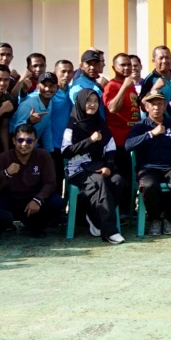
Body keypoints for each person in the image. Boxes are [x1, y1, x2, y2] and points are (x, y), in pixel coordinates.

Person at [127, 90, 171, 235]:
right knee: (149, 186)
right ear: (146, 107)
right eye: (152, 104)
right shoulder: (140, 126)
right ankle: (155, 219)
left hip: (170, 168)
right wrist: (151, 134)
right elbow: (128, 145)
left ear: (164, 106)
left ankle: (169, 218)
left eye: (159, 104)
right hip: (147, 168)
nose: (156, 107)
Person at [64, 89, 126, 243]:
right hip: (77, 170)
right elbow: (66, 151)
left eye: (95, 101)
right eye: (88, 101)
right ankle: (110, 231)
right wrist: (90, 141)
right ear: (80, 103)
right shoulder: (72, 126)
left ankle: (94, 217)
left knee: (118, 181)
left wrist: (109, 167)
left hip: (99, 166)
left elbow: (110, 148)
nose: (92, 104)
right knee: (99, 182)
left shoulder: (100, 124)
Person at [0, 126, 59, 237]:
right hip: (9, 199)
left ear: (35, 142)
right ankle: (0, 227)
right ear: (14, 141)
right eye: (20, 140)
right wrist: (6, 173)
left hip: (32, 201)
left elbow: (51, 183)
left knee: (56, 202)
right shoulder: (3, 158)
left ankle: (37, 224)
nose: (24, 144)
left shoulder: (43, 156)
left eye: (29, 140)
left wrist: (38, 199)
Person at [12, 71, 68, 149]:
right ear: (38, 87)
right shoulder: (29, 104)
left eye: (51, 86)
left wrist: (50, 152)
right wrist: (30, 122)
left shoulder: (50, 103)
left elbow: (46, 128)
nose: (47, 89)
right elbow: (16, 130)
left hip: (32, 145)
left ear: (57, 88)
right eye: (44, 85)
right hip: (18, 146)